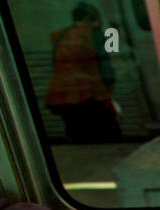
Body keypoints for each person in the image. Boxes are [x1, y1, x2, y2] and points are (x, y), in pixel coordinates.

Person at [45, 3, 121, 143]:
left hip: (62, 94)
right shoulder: (94, 34)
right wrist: (109, 84)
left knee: (78, 136)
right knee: (108, 134)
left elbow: (56, 64)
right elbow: (103, 62)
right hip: (90, 93)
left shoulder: (60, 36)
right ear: (89, 19)